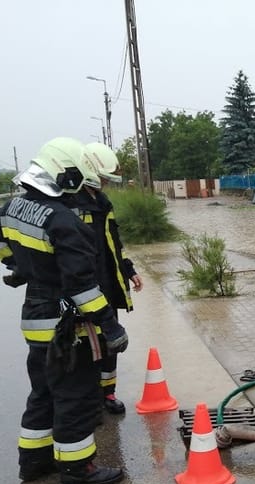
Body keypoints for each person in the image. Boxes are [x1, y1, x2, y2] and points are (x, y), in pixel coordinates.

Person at [0, 137, 127, 484]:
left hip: (34, 318)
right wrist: (110, 327)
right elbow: (83, 288)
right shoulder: (63, 220)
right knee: (76, 397)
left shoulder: (15, 207)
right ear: (65, 174)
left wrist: (16, 265)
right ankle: (78, 470)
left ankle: (33, 462)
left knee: (43, 392)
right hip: (66, 327)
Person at [80, 142, 143, 415]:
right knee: (86, 349)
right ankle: (89, 401)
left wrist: (129, 270)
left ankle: (108, 393)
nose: (105, 183)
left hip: (108, 287)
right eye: (103, 178)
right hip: (83, 290)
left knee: (110, 345)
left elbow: (115, 244)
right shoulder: (70, 205)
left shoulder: (103, 203)